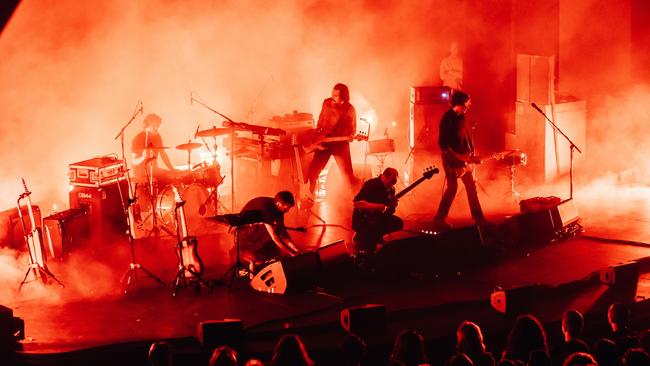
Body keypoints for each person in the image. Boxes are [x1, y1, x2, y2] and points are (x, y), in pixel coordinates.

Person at [432, 90, 493, 231]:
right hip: (450, 160)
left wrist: (470, 154)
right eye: (466, 103)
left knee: (471, 188)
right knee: (452, 189)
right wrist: (458, 158)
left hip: (463, 159)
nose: (468, 106)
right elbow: (443, 145)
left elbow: (464, 137)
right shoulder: (447, 119)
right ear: (458, 104)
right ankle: (439, 219)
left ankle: (479, 219)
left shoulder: (461, 117)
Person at [306, 83, 358, 196]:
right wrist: (316, 136)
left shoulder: (349, 109)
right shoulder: (326, 103)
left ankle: (353, 201)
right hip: (324, 143)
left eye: (336, 95)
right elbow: (320, 120)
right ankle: (309, 196)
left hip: (340, 145)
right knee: (313, 172)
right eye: (332, 94)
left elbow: (353, 130)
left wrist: (350, 137)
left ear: (343, 97)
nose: (332, 97)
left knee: (347, 175)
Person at [236, 191, 301, 270]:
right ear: (278, 204)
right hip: (243, 233)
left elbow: (283, 233)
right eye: (286, 207)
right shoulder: (266, 209)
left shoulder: (280, 210)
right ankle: (249, 256)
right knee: (271, 231)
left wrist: (296, 249)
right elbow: (274, 237)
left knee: (275, 230)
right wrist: (291, 253)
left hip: (254, 230)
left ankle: (258, 258)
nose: (287, 210)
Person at [352, 167, 404, 254]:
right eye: (391, 181)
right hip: (363, 218)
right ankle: (362, 234)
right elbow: (356, 203)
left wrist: (393, 206)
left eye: (394, 182)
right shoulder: (371, 184)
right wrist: (376, 206)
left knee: (398, 223)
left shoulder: (391, 189)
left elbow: (387, 212)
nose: (392, 185)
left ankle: (376, 235)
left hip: (377, 218)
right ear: (384, 176)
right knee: (369, 249)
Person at [131, 113, 176, 188]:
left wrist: (172, 169)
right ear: (147, 125)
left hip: (154, 170)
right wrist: (143, 157)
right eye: (154, 125)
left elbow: (163, 154)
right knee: (156, 182)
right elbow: (134, 161)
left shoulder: (157, 136)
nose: (156, 128)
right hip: (141, 173)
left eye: (158, 125)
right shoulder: (138, 138)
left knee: (170, 176)